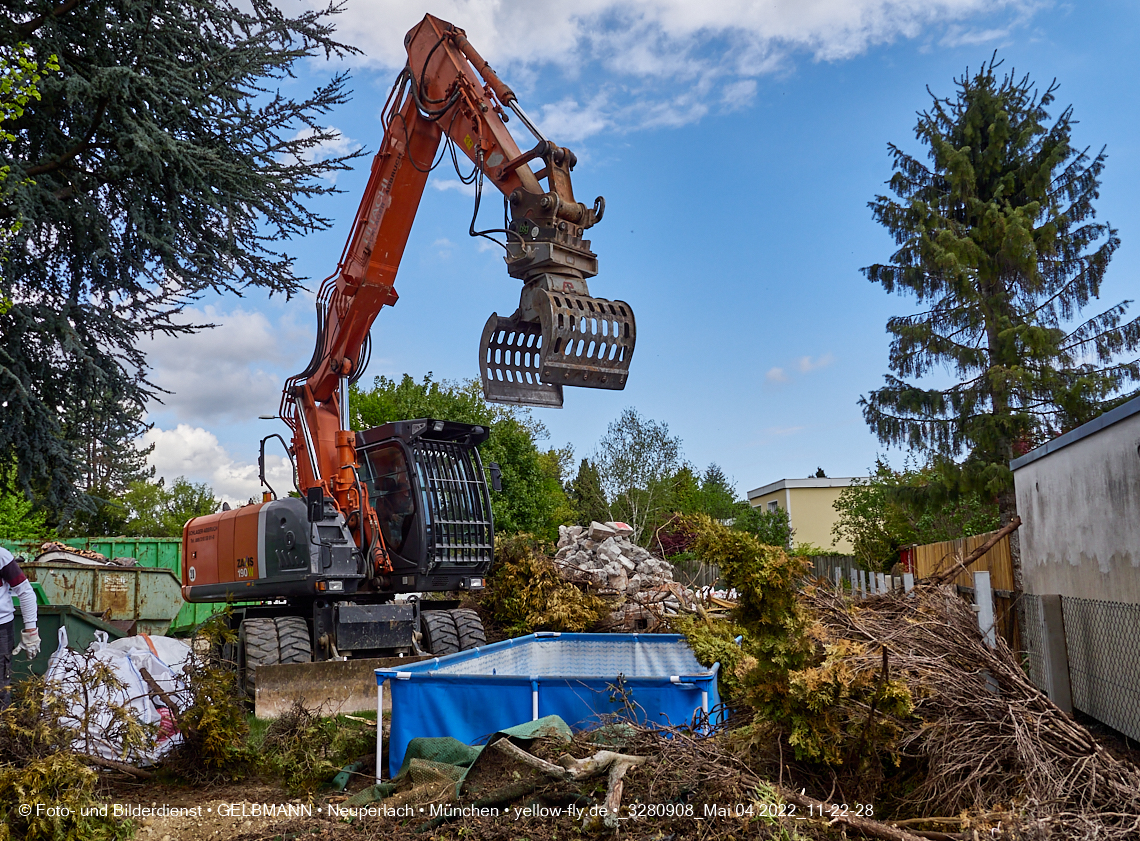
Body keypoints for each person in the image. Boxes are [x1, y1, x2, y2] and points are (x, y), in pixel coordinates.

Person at [1, 546, 40, 709]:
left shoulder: (1, 556)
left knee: (1, 687)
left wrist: (31, 630)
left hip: (1, 628)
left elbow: (24, 591)